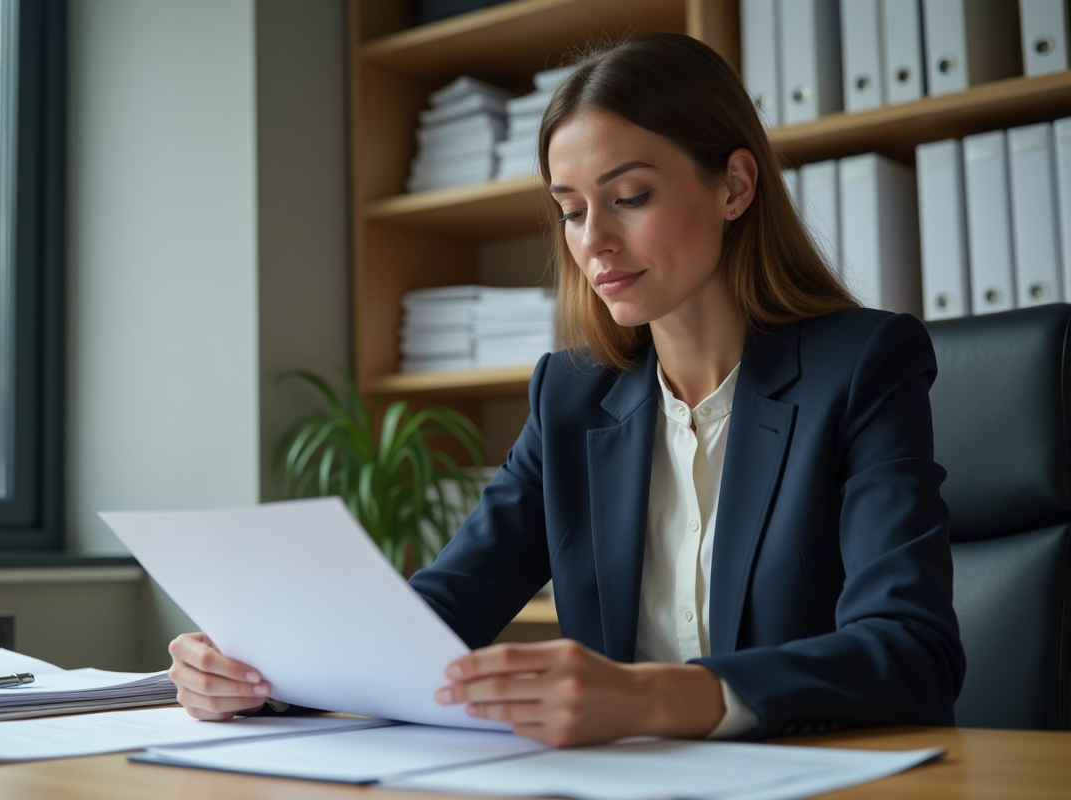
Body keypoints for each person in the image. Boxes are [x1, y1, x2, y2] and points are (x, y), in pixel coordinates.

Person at [167, 32, 965, 748]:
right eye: (571, 210)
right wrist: (259, 672)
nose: (595, 242)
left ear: (734, 186)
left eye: (630, 198)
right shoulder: (571, 398)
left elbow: (909, 648)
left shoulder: (863, 366)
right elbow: (436, 615)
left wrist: (653, 696)